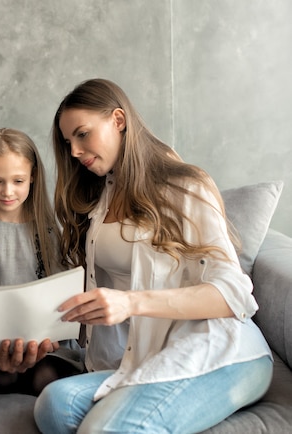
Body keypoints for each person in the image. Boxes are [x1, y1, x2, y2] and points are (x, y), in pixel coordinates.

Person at [33, 79, 273, 433]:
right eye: (68, 142)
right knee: (54, 406)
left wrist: (131, 303)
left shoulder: (185, 187)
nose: (74, 151)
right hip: (145, 355)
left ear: (118, 120)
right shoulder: (99, 200)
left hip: (218, 350)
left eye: (83, 134)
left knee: (102, 429)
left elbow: (233, 294)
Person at [0, 128, 84, 396]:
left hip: (46, 342)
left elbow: (60, 292)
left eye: (17, 181)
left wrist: (41, 337)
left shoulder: (50, 230)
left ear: (33, 177)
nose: (7, 191)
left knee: (45, 377)